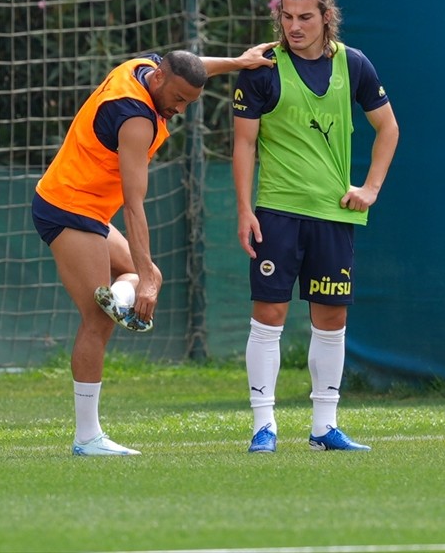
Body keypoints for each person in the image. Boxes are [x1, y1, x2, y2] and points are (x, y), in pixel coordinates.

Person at [33, 43, 276, 456]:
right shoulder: (136, 120)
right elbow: (134, 203)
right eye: (178, 99)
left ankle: (120, 297)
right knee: (98, 320)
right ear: (159, 80)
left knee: (141, 279)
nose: (181, 108)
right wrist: (145, 275)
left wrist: (237, 63)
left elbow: (193, 67)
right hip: (69, 208)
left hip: (85, 207)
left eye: (190, 101)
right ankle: (87, 438)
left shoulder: (146, 66)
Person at [232, 0, 398, 454]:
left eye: (305, 16)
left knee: (331, 318)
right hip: (277, 212)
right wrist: (245, 209)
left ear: (327, 17)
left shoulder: (355, 65)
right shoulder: (262, 69)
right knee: (269, 314)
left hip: (334, 215)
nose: (294, 26)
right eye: (286, 16)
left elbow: (388, 129)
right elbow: (243, 144)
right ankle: (263, 427)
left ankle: (325, 427)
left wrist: (369, 188)